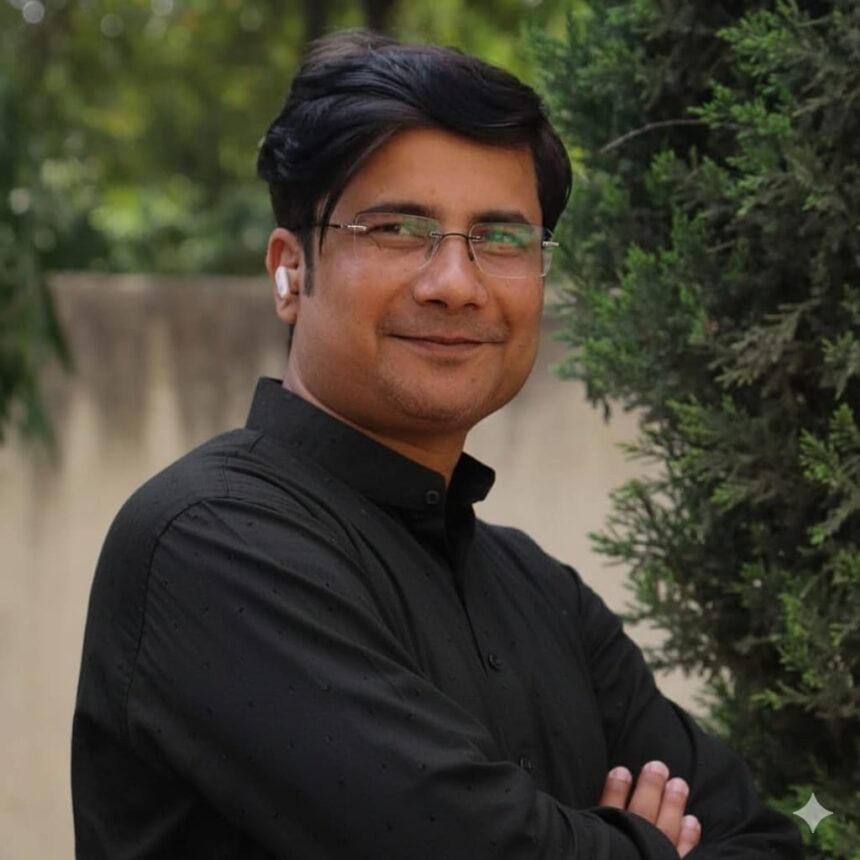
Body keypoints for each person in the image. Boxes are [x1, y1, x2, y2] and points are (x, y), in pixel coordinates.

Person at [71, 30, 803, 859]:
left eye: (501, 239)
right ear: (291, 271)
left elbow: (766, 838)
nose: (455, 284)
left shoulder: (544, 596)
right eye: (397, 228)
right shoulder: (207, 543)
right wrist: (645, 845)